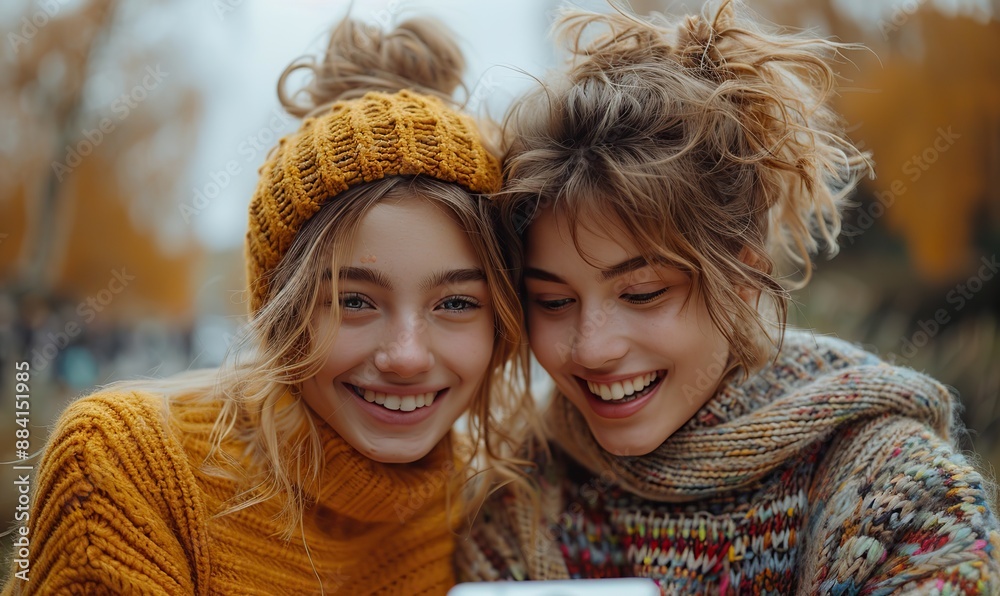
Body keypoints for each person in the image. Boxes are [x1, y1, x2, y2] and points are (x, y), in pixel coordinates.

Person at [457, 2, 1000, 593]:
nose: (594, 349)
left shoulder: (899, 494)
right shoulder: (514, 503)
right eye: (554, 302)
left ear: (743, 278)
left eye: (642, 293)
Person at [4, 16, 535, 595]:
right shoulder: (123, 466)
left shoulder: (496, 509)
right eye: (353, 300)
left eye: (456, 302)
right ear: (282, 313)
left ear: (502, 321)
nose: (405, 357)